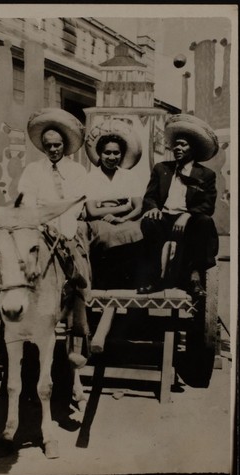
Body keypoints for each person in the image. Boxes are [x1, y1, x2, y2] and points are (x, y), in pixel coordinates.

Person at [17, 108, 91, 366]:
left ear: (65, 145)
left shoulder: (78, 171)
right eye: (48, 146)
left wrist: (61, 225)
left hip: (68, 224)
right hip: (39, 225)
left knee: (77, 275)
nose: (53, 150)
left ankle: (77, 338)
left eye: (57, 145)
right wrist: (40, 223)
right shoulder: (32, 171)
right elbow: (27, 201)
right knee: (12, 269)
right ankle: (2, 338)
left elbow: (79, 203)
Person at [139, 113, 219, 297]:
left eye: (183, 144)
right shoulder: (162, 169)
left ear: (194, 149)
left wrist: (187, 214)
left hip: (188, 222)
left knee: (205, 222)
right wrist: (152, 209)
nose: (177, 147)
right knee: (148, 223)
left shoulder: (205, 174)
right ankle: (153, 278)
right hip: (164, 218)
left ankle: (194, 277)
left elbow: (208, 205)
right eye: (176, 144)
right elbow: (149, 196)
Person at [84, 120, 144, 288]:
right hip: (100, 222)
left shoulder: (129, 176)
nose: (112, 157)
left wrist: (123, 218)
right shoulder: (92, 177)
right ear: (99, 154)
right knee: (106, 235)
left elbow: (138, 207)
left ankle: (131, 284)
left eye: (116, 153)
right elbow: (92, 211)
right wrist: (123, 207)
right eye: (107, 153)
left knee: (137, 232)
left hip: (127, 220)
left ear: (122, 154)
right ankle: (104, 284)